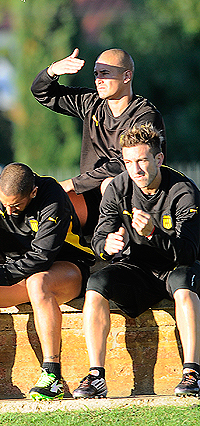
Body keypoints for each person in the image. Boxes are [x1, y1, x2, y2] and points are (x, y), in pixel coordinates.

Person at [0, 162, 95, 402]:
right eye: (4, 204)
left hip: (67, 267)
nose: (9, 211)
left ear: (32, 192)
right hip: (19, 271)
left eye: (16, 206)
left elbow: (42, 257)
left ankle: (52, 375)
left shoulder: (52, 196)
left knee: (38, 282)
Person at [72, 123, 200, 399]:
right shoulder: (118, 188)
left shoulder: (183, 190)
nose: (136, 169)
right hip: (137, 269)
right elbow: (99, 239)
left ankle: (192, 373)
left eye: (142, 160)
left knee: (184, 286)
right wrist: (106, 245)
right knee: (96, 284)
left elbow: (189, 252)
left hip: (175, 267)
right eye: (129, 162)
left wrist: (153, 233)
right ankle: (96, 376)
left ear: (159, 159)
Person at [31, 48, 166, 235]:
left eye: (105, 73)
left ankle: (124, 243)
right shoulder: (91, 103)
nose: (98, 80)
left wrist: (73, 183)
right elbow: (42, 93)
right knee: (50, 197)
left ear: (126, 76)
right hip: (91, 195)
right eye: (96, 74)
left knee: (110, 184)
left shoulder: (145, 115)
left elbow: (123, 164)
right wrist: (52, 71)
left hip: (137, 200)